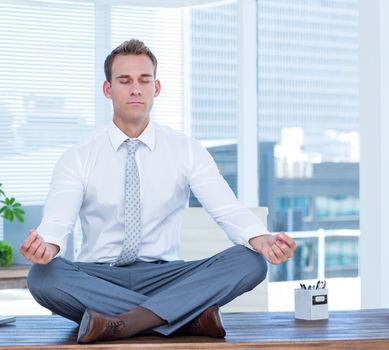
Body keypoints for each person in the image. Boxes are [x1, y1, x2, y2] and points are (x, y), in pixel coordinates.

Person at [20, 38, 296, 344]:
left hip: (166, 277)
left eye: (144, 80)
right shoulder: (79, 156)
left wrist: (262, 239)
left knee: (250, 261)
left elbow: (227, 209)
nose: (135, 89)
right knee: (43, 276)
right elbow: (58, 222)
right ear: (108, 89)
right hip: (98, 277)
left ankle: (124, 323)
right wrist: (46, 246)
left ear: (157, 87)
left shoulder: (186, 150)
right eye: (124, 81)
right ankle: (184, 318)